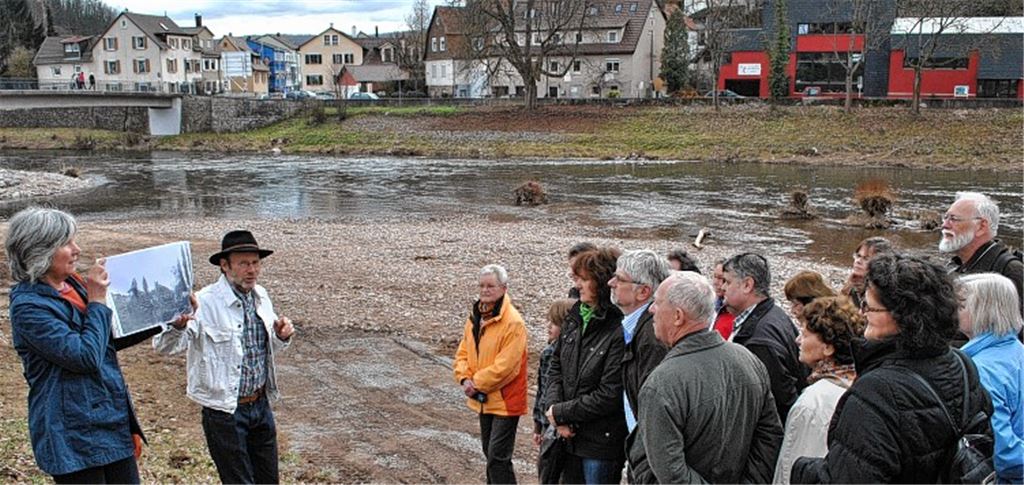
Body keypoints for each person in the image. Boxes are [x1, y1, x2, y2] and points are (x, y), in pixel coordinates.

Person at [5, 207, 176, 483]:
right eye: (66, 243)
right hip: (71, 434)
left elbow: (105, 340)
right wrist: (97, 300)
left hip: (109, 420)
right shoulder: (29, 307)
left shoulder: (72, 283)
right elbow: (85, 356)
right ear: (40, 251)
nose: (77, 249)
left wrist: (166, 319)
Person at [792, 253, 992, 483]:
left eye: (869, 306)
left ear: (903, 317)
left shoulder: (876, 391)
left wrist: (804, 470)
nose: (861, 313)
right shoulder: (962, 363)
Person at [153, 230, 295, 485]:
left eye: (255, 263)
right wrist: (178, 326)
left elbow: (264, 350)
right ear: (224, 265)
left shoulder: (261, 297)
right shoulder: (204, 302)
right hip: (224, 412)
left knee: (269, 480)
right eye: (243, 263)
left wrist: (281, 336)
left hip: (261, 406)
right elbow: (164, 347)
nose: (251, 270)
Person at [628, 271, 783, 483]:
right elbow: (769, 439)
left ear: (678, 316)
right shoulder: (748, 359)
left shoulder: (662, 383)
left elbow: (671, 472)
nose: (652, 309)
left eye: (657, 302)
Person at [545, 246, 627, 484]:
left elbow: (611, 393)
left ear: (601, 282)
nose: (577, 285)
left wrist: (561, 413)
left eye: (583, 279)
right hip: (567, 436)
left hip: (600, 443)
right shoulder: (575, 316)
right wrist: (555, 412)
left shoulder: (619, 328)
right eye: (576, 279)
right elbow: (555, 366)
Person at [773, 297, 864, 484]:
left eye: (805, 335)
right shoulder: (860, 383)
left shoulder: (814, 402)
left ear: (828, 347)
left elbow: (792, 467)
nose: (798, 340)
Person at [453, 264, 528, 484]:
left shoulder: (513, 323)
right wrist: (464, 378)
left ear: (504, 288)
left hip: (506, 399)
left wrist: (475, 383)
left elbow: (507, 366)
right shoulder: (475, 317)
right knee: (490, 453)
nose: (485, 290)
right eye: (482, 285)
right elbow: (463, 351)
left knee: (498, 456)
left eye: (491, 286)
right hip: (483, 397)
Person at [722, 253, 806, 423]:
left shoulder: (759, 342)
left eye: (728, 282)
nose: (722, 287)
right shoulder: (775, 314)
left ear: (747, 285)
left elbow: (778, 404)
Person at [958, 273, 1023, 483]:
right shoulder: (1017, 351)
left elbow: (1003, 451)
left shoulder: (982, 369)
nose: (952, 310)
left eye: (961, 305)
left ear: (983, 311)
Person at [941, 191, 1023, 344]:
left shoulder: (1010, 270)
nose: (944, 225)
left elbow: (1016, 337)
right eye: (945, 217)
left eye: (953, 219)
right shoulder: (953, 267)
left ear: (981, 226)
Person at [609, 250, 670, 436]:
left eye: (619, 279)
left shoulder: (653, 337)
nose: (611, 283)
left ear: (643, 292)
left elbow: (652, 407)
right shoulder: (638, 327)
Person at [534, 298, 573, 483]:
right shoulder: (548, 352)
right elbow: (542, 391)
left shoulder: (562, 352)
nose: (549, 326)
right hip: (549, 423)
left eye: (555, 323)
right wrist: (538, 425)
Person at [840, 237, 892, 309]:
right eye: (858, 256)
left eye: (866, 258)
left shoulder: (884, 292)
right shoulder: (852, 282)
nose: (858, 261)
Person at [710, 259, 735, 339]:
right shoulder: (710, 304)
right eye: (715, 276)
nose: (715, 282)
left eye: (721, 278)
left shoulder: (736, 311)